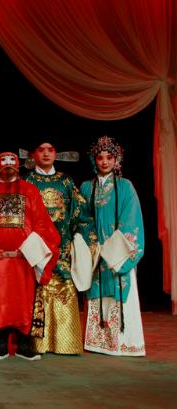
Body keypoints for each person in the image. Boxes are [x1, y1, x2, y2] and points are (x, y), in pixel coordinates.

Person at [0, 152, 60, 361]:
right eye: (4, 162)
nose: (8, 166)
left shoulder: (30, 190)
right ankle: (1, 344)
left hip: (23, 258)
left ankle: (24, 345)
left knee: (23, 302)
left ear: (18, 165)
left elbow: (41, 222)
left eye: (12, 162)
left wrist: (31, 247)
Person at [24, 140, 91, 355]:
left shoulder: (66, 181)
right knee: (36, 289)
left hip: (61, 247)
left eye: (50, 150)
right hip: (36, 249)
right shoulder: (27, 181)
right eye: (41, 150)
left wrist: (81, 238)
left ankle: (66, 343)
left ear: (56, 154)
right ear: (33, 154)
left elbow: (79, 213)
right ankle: (38, 344)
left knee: (64, 287)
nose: (46, 154)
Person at [80, 136, 145, 356]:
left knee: (120, 291)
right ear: (94, 160)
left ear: (117, 160)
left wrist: (112, 249)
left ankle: (124, 343)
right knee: (96, 293)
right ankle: (98, 342)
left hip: (117, 252)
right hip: (96, 252)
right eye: (100, 157)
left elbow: (131, 219)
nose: (105, 161)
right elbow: (83, 219)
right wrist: (91, 244)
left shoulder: (125, 186)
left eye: (109, 157)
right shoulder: (87, 187)